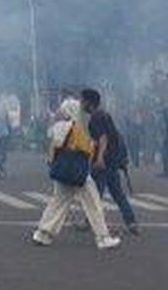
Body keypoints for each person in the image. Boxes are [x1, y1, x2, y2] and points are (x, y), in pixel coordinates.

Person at [31, 98, 120, 250]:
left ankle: (43, 233)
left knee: (57, 202)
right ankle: (103, 237)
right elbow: (87, 149)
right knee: (94, 204)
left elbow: (52, 145)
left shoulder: (57, 127)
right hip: (79, 172)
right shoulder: (78, 128)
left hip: (62, 170)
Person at [82, 88, 138, 236]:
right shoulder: (105, 115)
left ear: (89, 103)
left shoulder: (96, 117)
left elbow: (103, 138)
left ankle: (91, 222)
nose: (81, 104)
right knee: (117, 193)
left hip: (104, 161)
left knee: (94, 194)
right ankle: (131, 222)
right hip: (112, 160)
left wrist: (99, 158)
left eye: (83, 101)